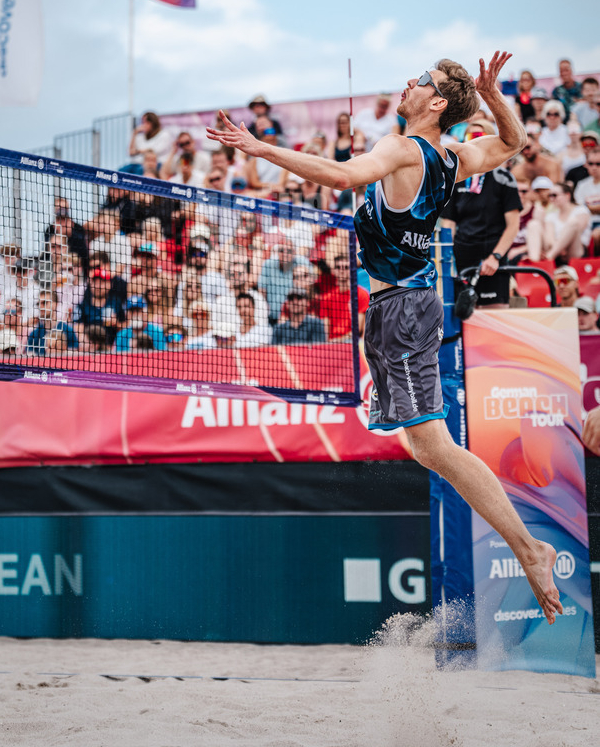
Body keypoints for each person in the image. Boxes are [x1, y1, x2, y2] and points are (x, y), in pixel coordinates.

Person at [206, 50, 562, 624]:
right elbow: (510, 143)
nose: (408, 83)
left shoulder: (402, 149)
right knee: (426, 447)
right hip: (411, 302)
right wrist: (494, 97)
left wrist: (260, 148)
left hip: (401, 307)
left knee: (437, 446)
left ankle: (529, 549)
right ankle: (527, 546)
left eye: (419, 81)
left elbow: (344, 175)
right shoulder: (451, 155)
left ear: (437, 101)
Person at [441, 121, 522, 307]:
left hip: (492, 259)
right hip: (463, 259)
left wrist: (496, 257)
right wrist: (448, 259)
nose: (474, 143)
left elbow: (513, 225)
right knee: (465, 319)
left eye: (479, 138)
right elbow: (449, 223)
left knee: (494, 316)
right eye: (469, 138)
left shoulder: (504, 178)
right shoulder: (457, 179)